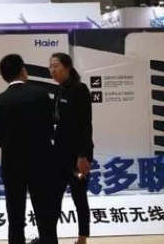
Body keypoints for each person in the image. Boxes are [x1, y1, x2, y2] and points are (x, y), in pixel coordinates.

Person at [0, 54, 55, 244]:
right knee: (45, 213)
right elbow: (49, 127)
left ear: (4, 76)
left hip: (12, 164)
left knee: (15, 215)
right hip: (41, 161)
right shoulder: (40, 95)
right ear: (23, 71)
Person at [48, 53, 93, 244]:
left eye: (56, 66)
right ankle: (49, 238)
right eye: (50, 67)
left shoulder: (79, 89)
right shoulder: (59, 90)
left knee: (79, 197)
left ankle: (82, 239)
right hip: (60, 155)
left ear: (68, 67)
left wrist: (82, 156)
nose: (52, 70)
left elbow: (85, 125)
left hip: (78, 156)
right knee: (53, 198)